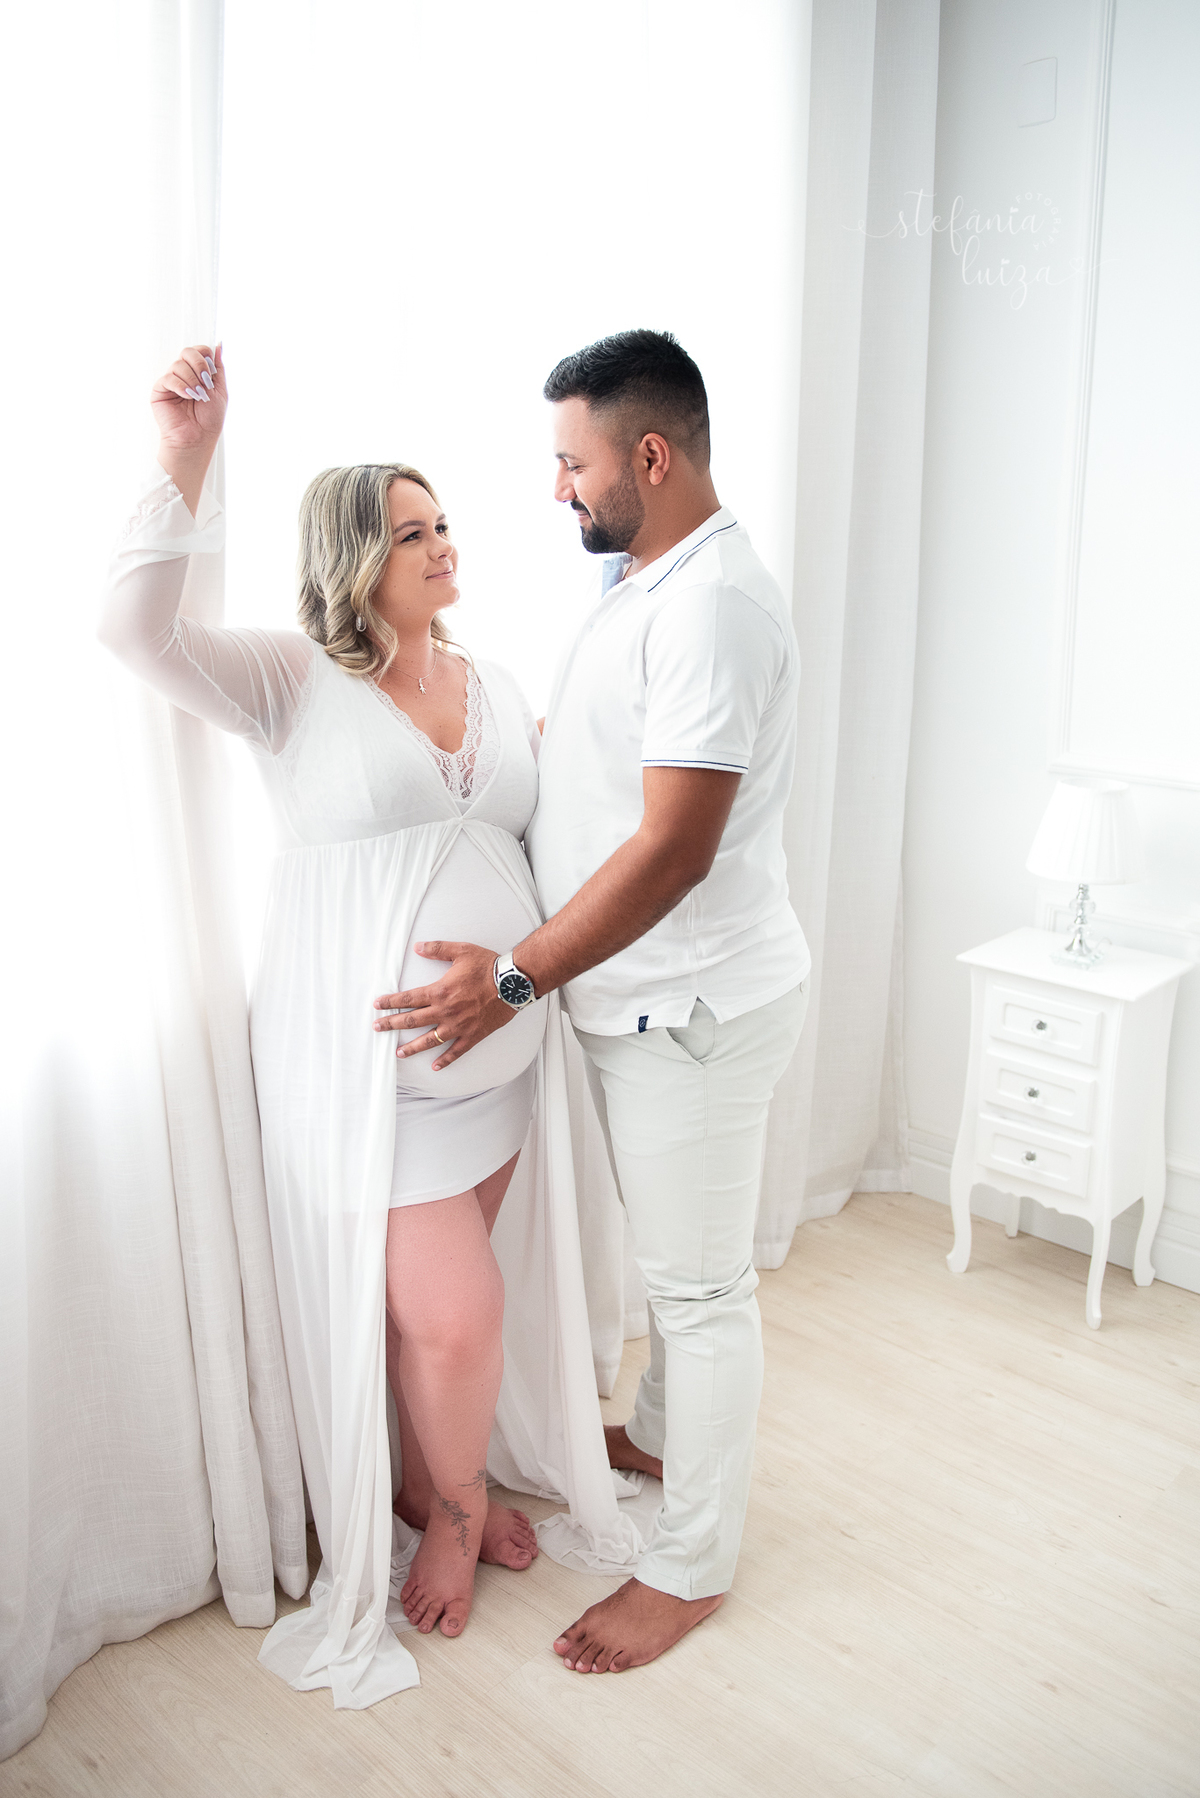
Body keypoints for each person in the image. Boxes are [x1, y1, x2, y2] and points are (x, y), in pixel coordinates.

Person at [98, 344, 640, 1709]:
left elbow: (540, 840)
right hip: (371, 1076)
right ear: (353, 557)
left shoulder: (492, 678)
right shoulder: (293, 683)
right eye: (410, 532)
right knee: (455, 1317)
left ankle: (421, 1477)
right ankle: (453, 1510)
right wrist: (183, 459)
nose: (443, 543)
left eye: (443, 520)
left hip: (501, 1065)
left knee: (430, 1318)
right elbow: (134, 633)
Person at [375, 328, 811, 1673]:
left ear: (652, 456)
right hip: (648, 1004)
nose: (557, 486)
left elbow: (675, 848)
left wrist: (514, 976)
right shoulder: (646, 578)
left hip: (689, 1010)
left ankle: (690, 1567)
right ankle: (667, 1440)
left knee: (700, 1289)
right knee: (686, 1269)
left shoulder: (711, 606)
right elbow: (623, 764)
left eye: (574, 462)